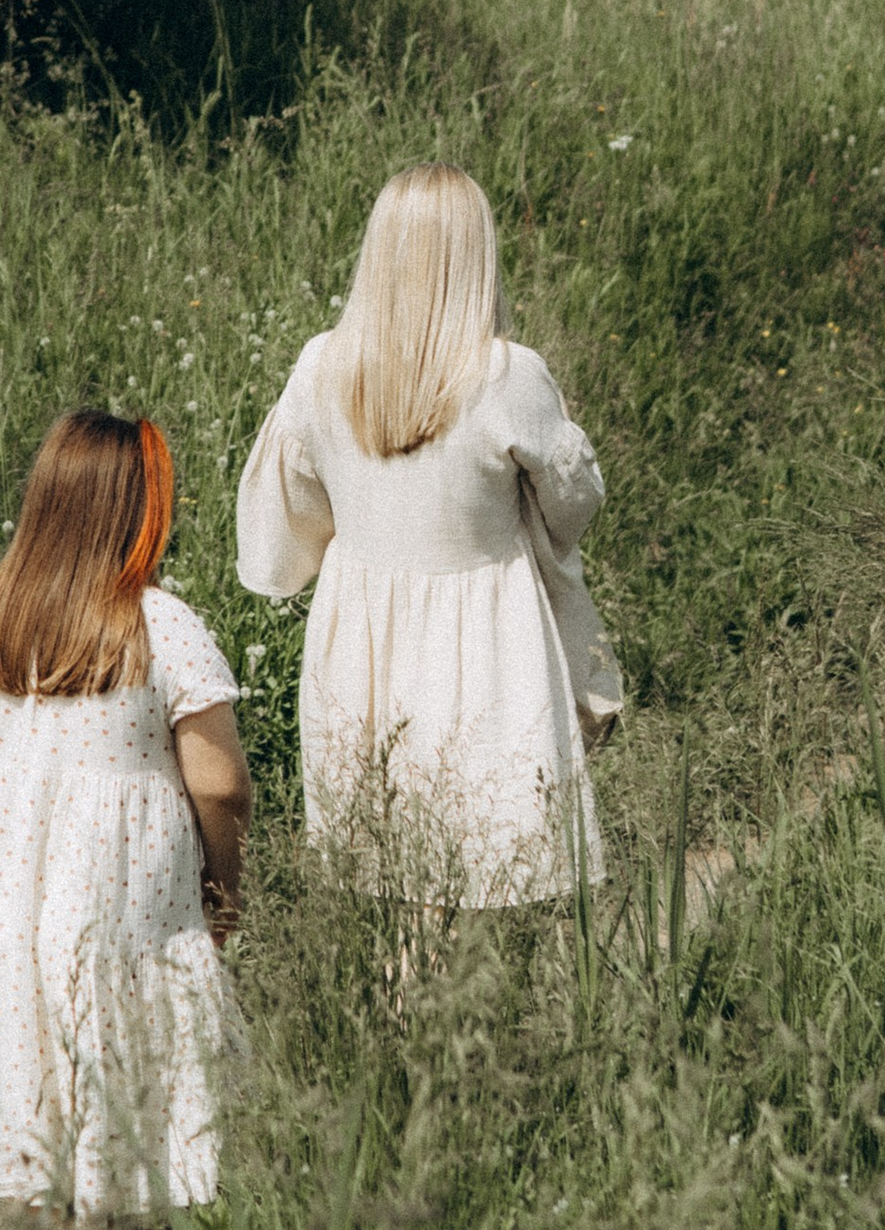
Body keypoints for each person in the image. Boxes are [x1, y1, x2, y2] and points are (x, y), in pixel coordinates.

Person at [0, 411, 251, 1213]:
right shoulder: (163, 627)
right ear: (141, 513)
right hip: (111, 901)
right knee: (99, 1062)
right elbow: (220, 784)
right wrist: (223, 888)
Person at [236, 162, 618, 905]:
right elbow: (574, 500)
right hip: (490, 635)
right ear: (476, 257)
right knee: (495, 846)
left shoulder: (322, 367)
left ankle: (392, 1009)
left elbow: (292, 510)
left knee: (381, 857)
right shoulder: (509, 375)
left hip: (361, 635)